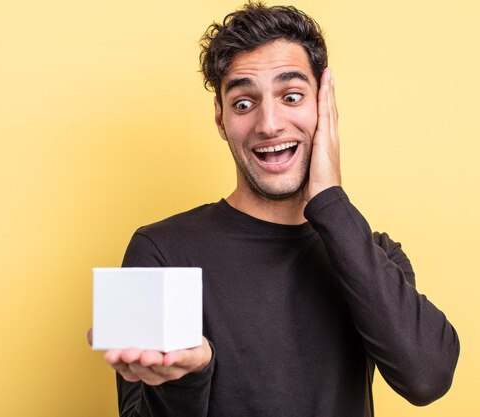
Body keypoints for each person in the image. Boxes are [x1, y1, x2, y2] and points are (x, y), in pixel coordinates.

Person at [95, 2, 460, 416]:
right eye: (244, 103)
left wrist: (330, 200)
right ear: (220, 118)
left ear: (324, 108)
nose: (269, 123)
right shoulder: (160, 252)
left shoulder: (371, 256)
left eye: (291, 96)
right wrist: (188, 377)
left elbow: (427, 378)